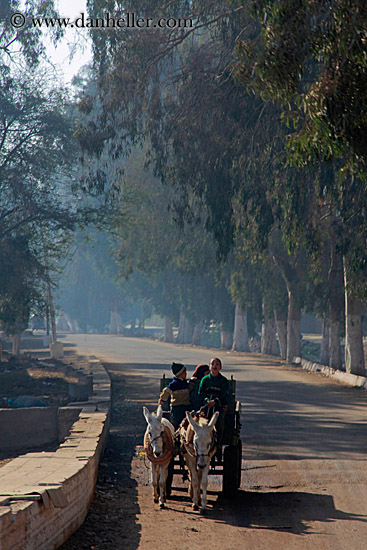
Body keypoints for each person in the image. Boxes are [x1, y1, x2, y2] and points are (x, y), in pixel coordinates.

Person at [198, 357, 232, 457]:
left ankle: (218, 446)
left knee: (219, 424)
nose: (214, 366)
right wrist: (207, 401)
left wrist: (215, 402)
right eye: (212, 364)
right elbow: (201, 394)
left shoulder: (223, 381)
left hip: (218, 407)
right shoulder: (204, 380)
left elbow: (225, 395)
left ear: (220, 367)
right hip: (206, 407)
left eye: (217, 364)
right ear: (209, 367)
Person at [158, 362, 195, 430]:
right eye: (185, 372)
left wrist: (192, 382)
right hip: (177, 407)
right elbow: (166, 391)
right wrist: (162, 399)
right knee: (177, 422)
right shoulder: (174, 384)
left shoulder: (184, 382)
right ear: (180, 374)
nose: (186, 374)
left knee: (186, 421)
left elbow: (190, 388)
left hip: (186, 405)